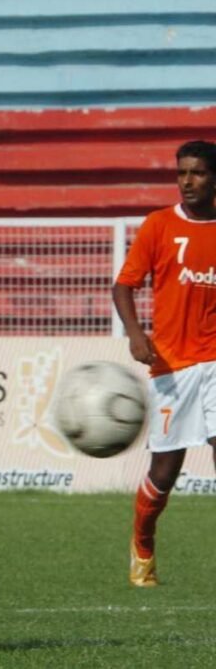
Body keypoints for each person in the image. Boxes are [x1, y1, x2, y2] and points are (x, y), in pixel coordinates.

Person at [114, 139, 216, 588]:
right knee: (164, 473)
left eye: (196, 173)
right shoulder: (158, 226)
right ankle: (143, 543)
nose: (187, 181)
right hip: (172, 366)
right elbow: (124, 286)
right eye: (181, 173)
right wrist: (136, 334)